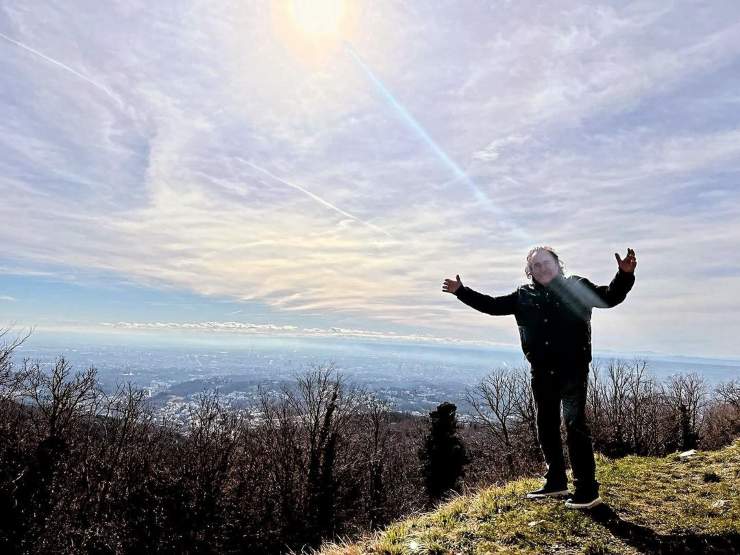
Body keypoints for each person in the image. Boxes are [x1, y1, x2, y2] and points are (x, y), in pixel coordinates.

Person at [442, 246, 636, 509]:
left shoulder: (576, 286)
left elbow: (609, 297)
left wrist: (623, 275)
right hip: (542, 371)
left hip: (572, 369)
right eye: (536, 266)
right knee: (545, 425)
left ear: (558, 264)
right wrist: (461, 291)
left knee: (574, 425)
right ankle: (555, 481)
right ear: (530, 271)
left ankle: (587, 490)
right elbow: (491, 305)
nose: (542, 268)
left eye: (546, 263)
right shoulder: (523, 295)